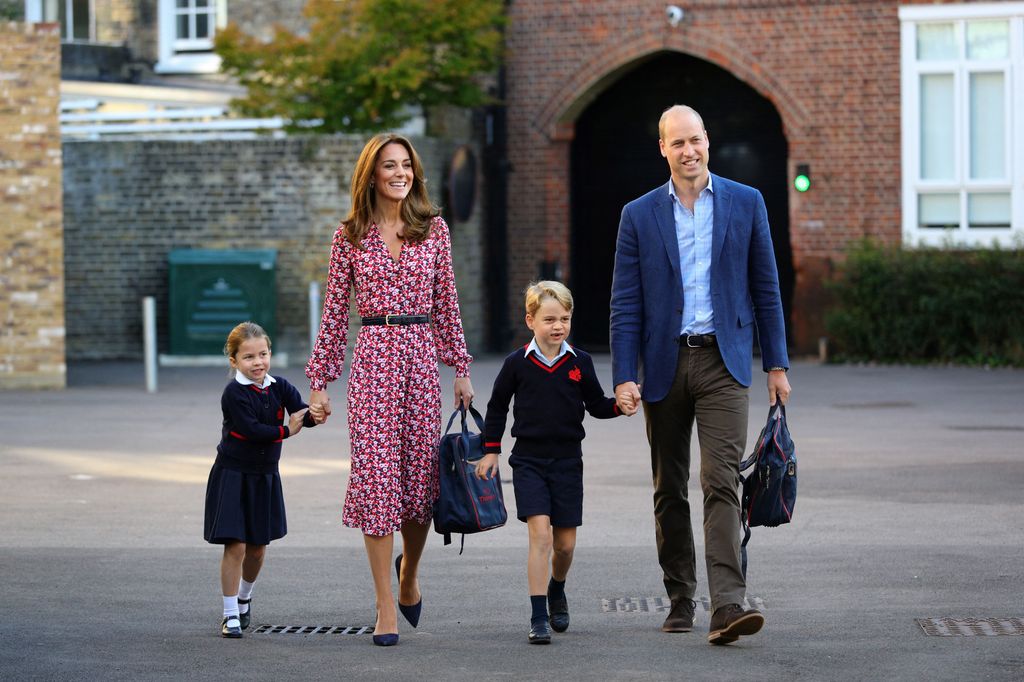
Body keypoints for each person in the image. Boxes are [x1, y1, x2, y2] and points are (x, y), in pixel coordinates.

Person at [609, 104, 792, 646]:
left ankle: (728, 606)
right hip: (663, 365)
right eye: (677, 143)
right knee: (669, 488)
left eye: (696, 140)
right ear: (662, 149)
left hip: (724, 361)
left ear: (707, 141)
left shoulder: (746, 201)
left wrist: (776, 364)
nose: (688, 151)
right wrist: (624, 374)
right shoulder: (638, 215)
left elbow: (767, 287)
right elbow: (625, 304)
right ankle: (681, 595)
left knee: (721, 482)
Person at [305, 133, 474, 647]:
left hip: (421, 358)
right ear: (371, 175)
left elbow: (447, 302)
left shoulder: (434, 230)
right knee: (378, 483)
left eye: (406, 165)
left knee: (420, 488)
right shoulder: (349, 236)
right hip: (374, 358)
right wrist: (319, 382)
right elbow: (334, 313)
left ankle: (409, 575)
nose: (399, 173)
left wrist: (460, 367)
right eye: (388, 166)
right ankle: (384, 606)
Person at [476, 281, 623, 645]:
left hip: (568, 462)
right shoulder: (516, 364)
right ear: (530, 320)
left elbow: (597, 405)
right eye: (549, 319)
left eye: (565, 319)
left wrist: (621, 405)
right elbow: (496, 407)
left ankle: (557, 587)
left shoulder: (580, 362)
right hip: (528, 461)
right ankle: (538, 615)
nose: (558, 326)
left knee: (565, 546)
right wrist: (491, 449)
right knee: (539, 536)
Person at [203, 321, 317, 638]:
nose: (258, 363)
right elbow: (252, 431)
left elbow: (301, 412)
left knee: (257, 549)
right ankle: (229, 615)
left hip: (264, 477)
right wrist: (287, 431)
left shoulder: (279, 386)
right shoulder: (233, 394)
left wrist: (314, 415)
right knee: (235, 545)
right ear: (234, 361)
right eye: (249, 357)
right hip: (233, 475)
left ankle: (244, 598)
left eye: (263, 354)